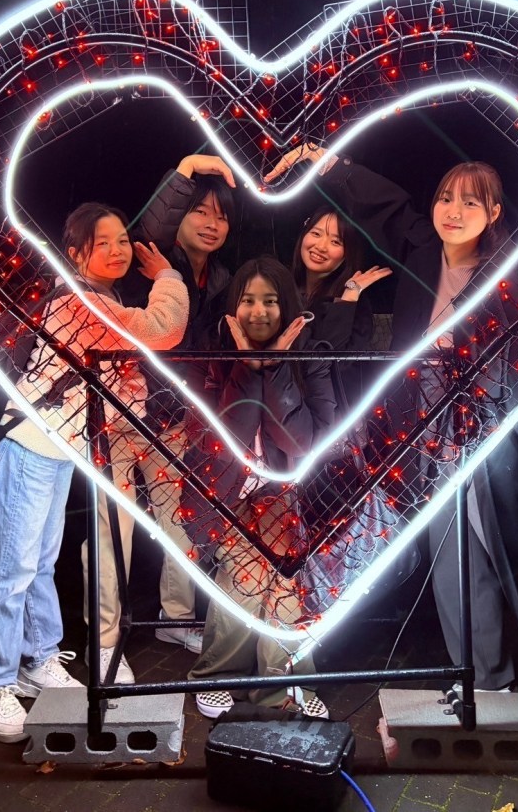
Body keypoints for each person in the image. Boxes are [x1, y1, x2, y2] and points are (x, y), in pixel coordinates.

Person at [266, 146, 518, 791]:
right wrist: (329, 165)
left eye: (471, 202)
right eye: (446, 197)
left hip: (497, 456)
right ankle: (486, 684)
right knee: (456, 576)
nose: (453, 211)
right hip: (432, 452)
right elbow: (390, 210)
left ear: (493, 214)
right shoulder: (424, 257)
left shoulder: (505, 286)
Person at [0, 203, 188, 743]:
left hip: (56, 452)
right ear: (75, 254)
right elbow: (162, 328)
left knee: (39, 564)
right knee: (9, 572)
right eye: (102, 242)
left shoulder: (99, 299)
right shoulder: (78, 303)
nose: (117, 251)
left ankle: (38, 658)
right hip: (28, 447)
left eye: (122, 241)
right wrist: (167, 275)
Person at [181, 256, 336, 719]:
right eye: (248, 300)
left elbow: (301, 441)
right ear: (234, 307)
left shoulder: (312, 354)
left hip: (289, 492)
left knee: (282, 571)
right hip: (224, 487)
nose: (259, 311)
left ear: (287, 306)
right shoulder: (211, 353)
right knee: (247, 572)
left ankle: (280, 686)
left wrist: (279, 366)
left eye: (270, 301)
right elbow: (224, 438)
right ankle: (223, 676)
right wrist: (249, 367)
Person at [112, 153, 236, 654]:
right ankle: (107, 637)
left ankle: (176, 617)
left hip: (175, 422)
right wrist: (185, 170)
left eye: (221, 216)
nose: (211, 224)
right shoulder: (152, 259)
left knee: (179, 521)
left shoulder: (222, 281)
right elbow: (150, 227)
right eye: (199, 211)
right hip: (123, 416)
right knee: (114, 529)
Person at [291, 203, 391, 403]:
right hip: (285, 404)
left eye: (335, 242)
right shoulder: (283, 287)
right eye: (316, 234)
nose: (321, 246)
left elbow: (332, 361)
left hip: (333, 411)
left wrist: (349, 296)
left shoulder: (356, 304)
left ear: (348, 252)